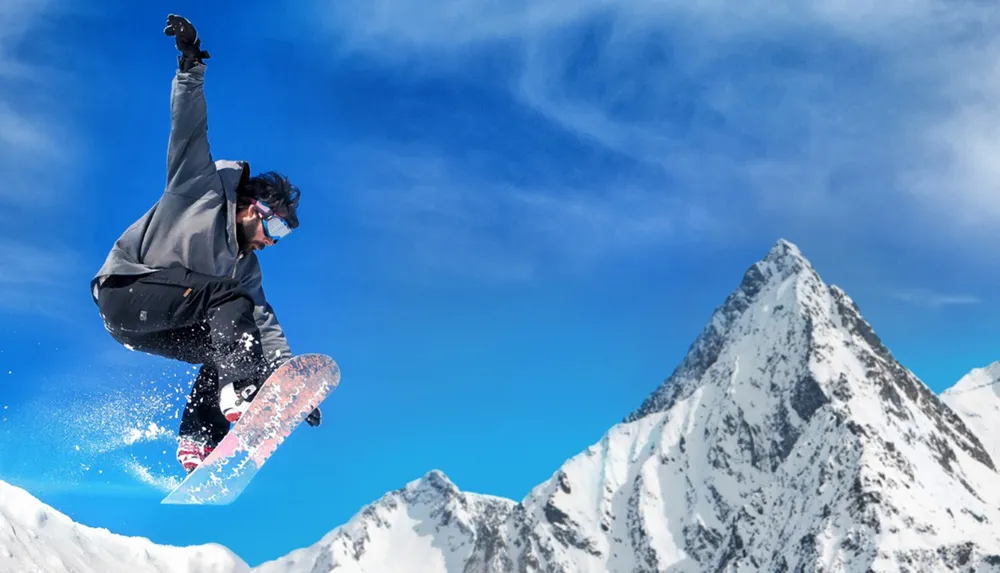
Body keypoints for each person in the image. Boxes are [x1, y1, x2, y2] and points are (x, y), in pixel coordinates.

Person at [91, 14, 319, 474]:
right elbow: (189, 128)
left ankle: (198, 440)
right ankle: (241, 388)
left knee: (234, 336)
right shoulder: (199, 187)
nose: (271, 244)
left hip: (148, 328)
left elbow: (262, 321)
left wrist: (288, 385)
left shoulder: (244, 267)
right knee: (229, 310)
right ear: (252, 208)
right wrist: (190, 64)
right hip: (124, 292)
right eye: (273, 231)